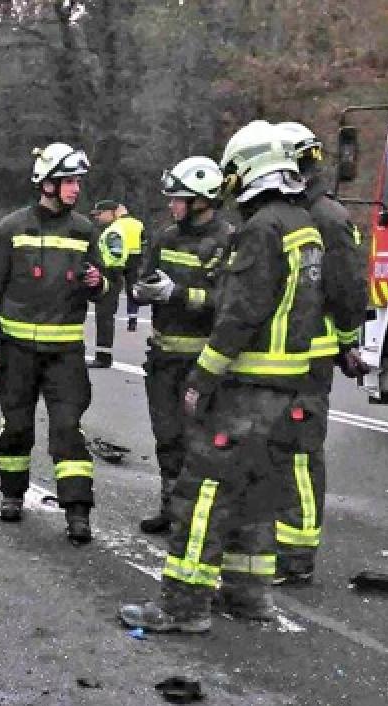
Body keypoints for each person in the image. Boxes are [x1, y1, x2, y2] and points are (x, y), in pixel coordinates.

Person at [118, 120, 327, 632]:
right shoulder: (303, 225)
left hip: (247, 388)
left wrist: (202, 378)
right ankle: (249, 597)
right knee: (255, 494)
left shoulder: (260, 230)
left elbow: (241, 313)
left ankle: (182, 607)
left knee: (202, 493)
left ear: (251, 169)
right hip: (289, 387)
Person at [0, 143, 107, 544]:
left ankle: (78, 513)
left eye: (78, 182)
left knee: (68, 430)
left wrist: (99, 283)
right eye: (68, 181)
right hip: (15, 352)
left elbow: (104, 286)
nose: (75, 189)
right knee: (16, 427)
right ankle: (12, 495)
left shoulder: (85, 230)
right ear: (46, 184)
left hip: (64, 354)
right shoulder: (11, 229)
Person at [270, 122, 370, 585]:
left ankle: (297, 555)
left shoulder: (326, 217)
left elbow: (349, 290)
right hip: (289, 352)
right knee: (279, 450)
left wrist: (348, 341)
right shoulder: (298, 212)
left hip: (311, 356)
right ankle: (281, 541)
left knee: (300, 454)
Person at [130, 156, 236, 535]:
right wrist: (141, 291)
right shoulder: (165, 237)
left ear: (202, 199)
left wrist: (176, 293)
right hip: (162, 358)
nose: (171, 205)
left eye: (178, 198)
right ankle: (171, 508)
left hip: (200, 361)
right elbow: (146, 280)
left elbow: (226, 302)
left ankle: (196, 517)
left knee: (200, 443)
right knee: (167, 437)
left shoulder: (227, 242)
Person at [88, 201, 146, 367]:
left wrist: (106, 270)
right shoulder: (128, 226)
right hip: (124, 269)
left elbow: (116, 255)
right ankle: (103, 355)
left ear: (111, 212)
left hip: (110, 274)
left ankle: (103, 357)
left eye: (100, 214)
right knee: (105, 315)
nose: (97, 218)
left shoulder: (114, 230)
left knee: (104, 316)